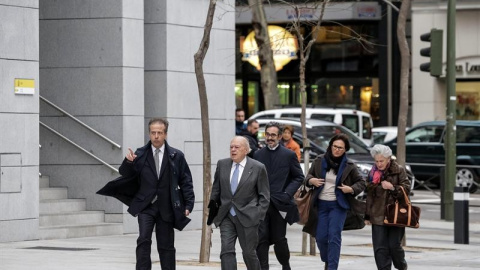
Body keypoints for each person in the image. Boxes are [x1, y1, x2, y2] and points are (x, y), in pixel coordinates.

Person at [97, 118, 195, 270]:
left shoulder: (176, 156)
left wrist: (189, 204)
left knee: (166, 245)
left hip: (166, 206)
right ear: (149, 134)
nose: (156, 136)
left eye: (159, 133)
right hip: (145, 206)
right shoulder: (140, 153)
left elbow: (186, 181)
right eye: (153, 132)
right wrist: (128, 162)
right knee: (143, 240)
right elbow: (125, 174)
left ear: (166, 134)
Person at [302, 133, 365, 270]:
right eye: (335, 146)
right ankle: (328, 260)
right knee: (320, 237)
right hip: (320, 205)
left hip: (338, 205)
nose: (337, 150)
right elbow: (308, 177)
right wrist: (311, 181)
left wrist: (351, 189)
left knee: (334, 236)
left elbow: (361, 182)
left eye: (341, 148)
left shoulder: (349, 165)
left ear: (345, 150)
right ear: (330, 146)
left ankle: (332, 267)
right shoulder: (319, 160)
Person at [209, 136, 270, 270]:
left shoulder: (258, 167)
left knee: (249, 253)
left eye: (237, 147)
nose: (233, 150)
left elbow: (264, 196)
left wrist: (258, 215)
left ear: (246, 150)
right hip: (226, 215)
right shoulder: (222, 164)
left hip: (248, 216)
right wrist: (213, 213)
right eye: (231, 147)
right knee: (226, 251)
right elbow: (216, 190)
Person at [253, 121, 304, 270]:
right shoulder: (258, 154)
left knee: (279, 239)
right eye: (267, 134)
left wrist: (287, 193)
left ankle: (285, 265)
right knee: (261, 239)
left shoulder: (289, 155)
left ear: (280, 136)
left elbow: (298, 177)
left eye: (273, 135)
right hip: (261, 204)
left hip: (279, 204)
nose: (269, 137)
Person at [364, 144, 410, 270]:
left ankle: (402, 266)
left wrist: (392, 188)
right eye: (377, 161)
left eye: (381, 161)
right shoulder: (372, 173)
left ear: (388, 159)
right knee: (380, 249)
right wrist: (367, 215)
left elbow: (407, 189)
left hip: (395, 215)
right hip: (378, 215)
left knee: (394, 246)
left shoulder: (398, 170)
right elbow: (369, 195)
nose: (379, 164)